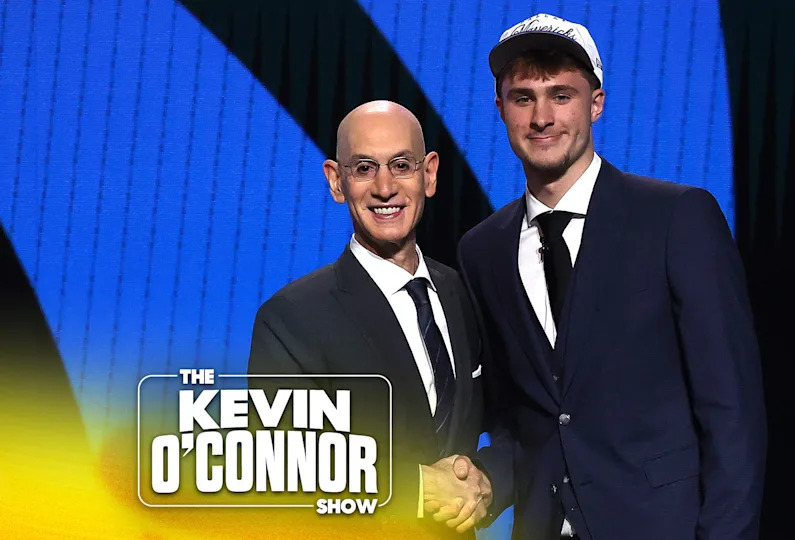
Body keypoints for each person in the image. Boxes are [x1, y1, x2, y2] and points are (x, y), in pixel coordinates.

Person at [451, 13, 767, 540]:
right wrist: (483, 481)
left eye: (561, 95)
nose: (542, 117)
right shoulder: (482, 249)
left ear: (596, 103)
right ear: (500, 108)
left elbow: (731, 413)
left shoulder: (676, 218)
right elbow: (520, 419)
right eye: (523, 97)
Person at [248, 101, 491, 537]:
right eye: (364, 168)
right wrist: (416, 487)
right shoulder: (290, 319)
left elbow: (518, 419)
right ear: (336, 181)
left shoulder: (462, 293)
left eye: (401, 164)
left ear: (429, 174)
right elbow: (281, 464)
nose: (385, 187)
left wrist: (486, 479)